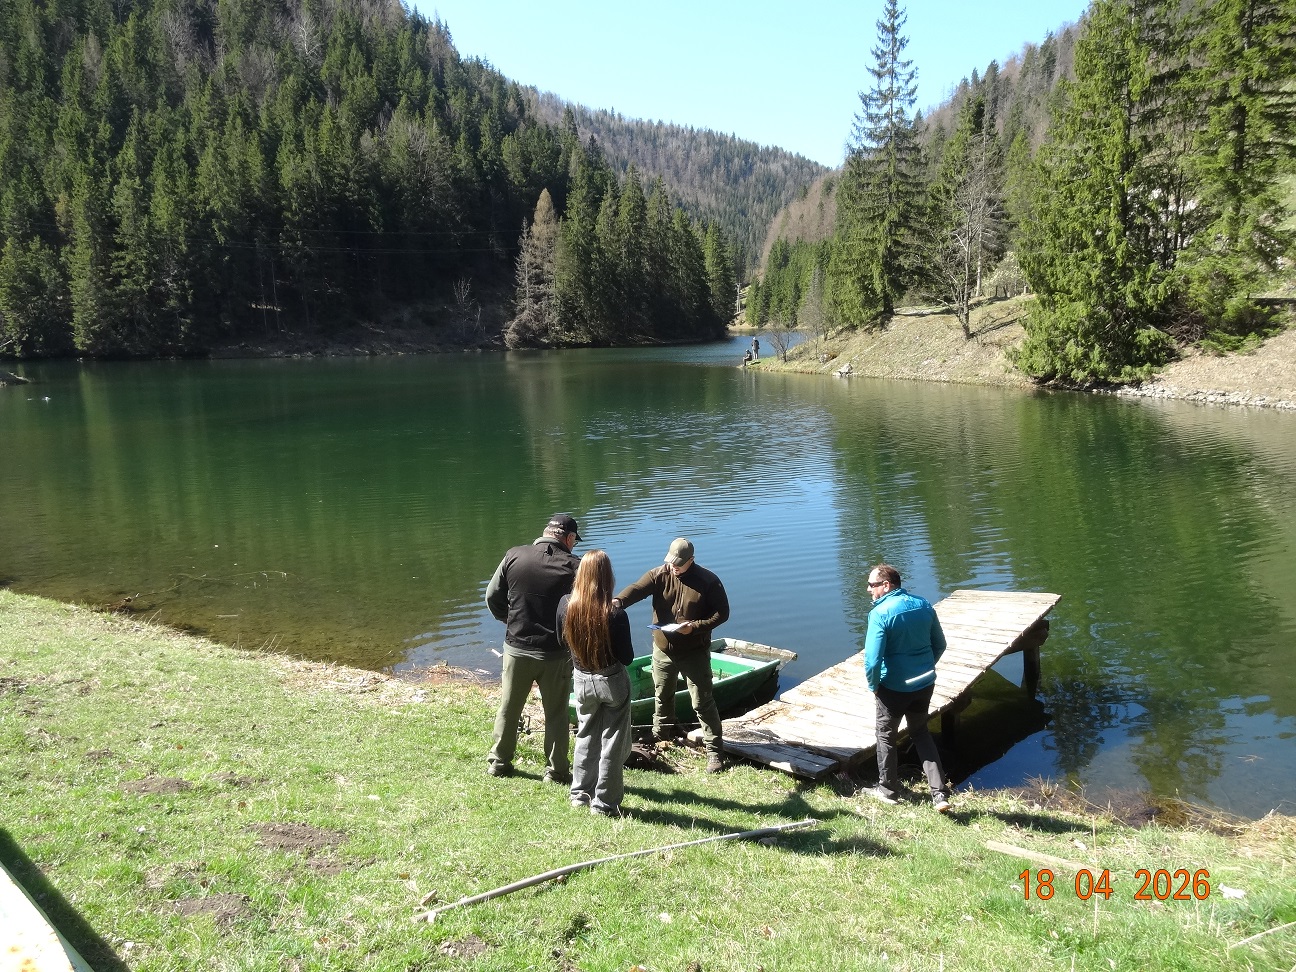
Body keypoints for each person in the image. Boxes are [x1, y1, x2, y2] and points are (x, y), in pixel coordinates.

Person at [614, 538, 730, 772]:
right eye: (671, 562)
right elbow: (637, 589)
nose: (673, 566)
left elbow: (722, 613)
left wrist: (694, 627)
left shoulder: (709, 581)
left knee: (702, 702)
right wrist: (618, 601)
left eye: (679, 563)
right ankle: (661, 734)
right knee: (662, 694)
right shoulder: (659, 574)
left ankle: (714, 751)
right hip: (663, 649)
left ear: (691, 560)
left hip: (693, 652)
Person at [484, 513, 581, 782]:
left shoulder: (514, 555)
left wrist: (508, 619)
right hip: (555, 654)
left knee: (509, 707)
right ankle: (557, 770)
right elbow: (583, 610)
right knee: (556, 713)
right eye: (575, 540)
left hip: (517, 648)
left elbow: (492, 596)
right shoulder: (576, 566)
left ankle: (499, 762)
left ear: (546, 532)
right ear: (569, 538)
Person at [861, 563, 952, 813]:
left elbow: (872, 660)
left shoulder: (880, 613)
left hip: (894, 688)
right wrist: (925, 667)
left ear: (886, 585)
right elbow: (940, 644)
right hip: (924, 684)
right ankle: (940, 794)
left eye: (872, 584)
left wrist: (874, 685)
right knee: (921, 733)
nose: (868, 589)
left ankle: (888, 790)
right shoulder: (923, 604)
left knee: (886, 735)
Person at [557, 550, 635, 817]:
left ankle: (579, 794)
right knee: (612, 741)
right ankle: (604, 804)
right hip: (611, 680)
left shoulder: (566, 604)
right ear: (607, 577)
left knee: (585, 734)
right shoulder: (615, 613)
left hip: (581, 679)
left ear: (580, 574)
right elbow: (627, 657)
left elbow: (561, 640)